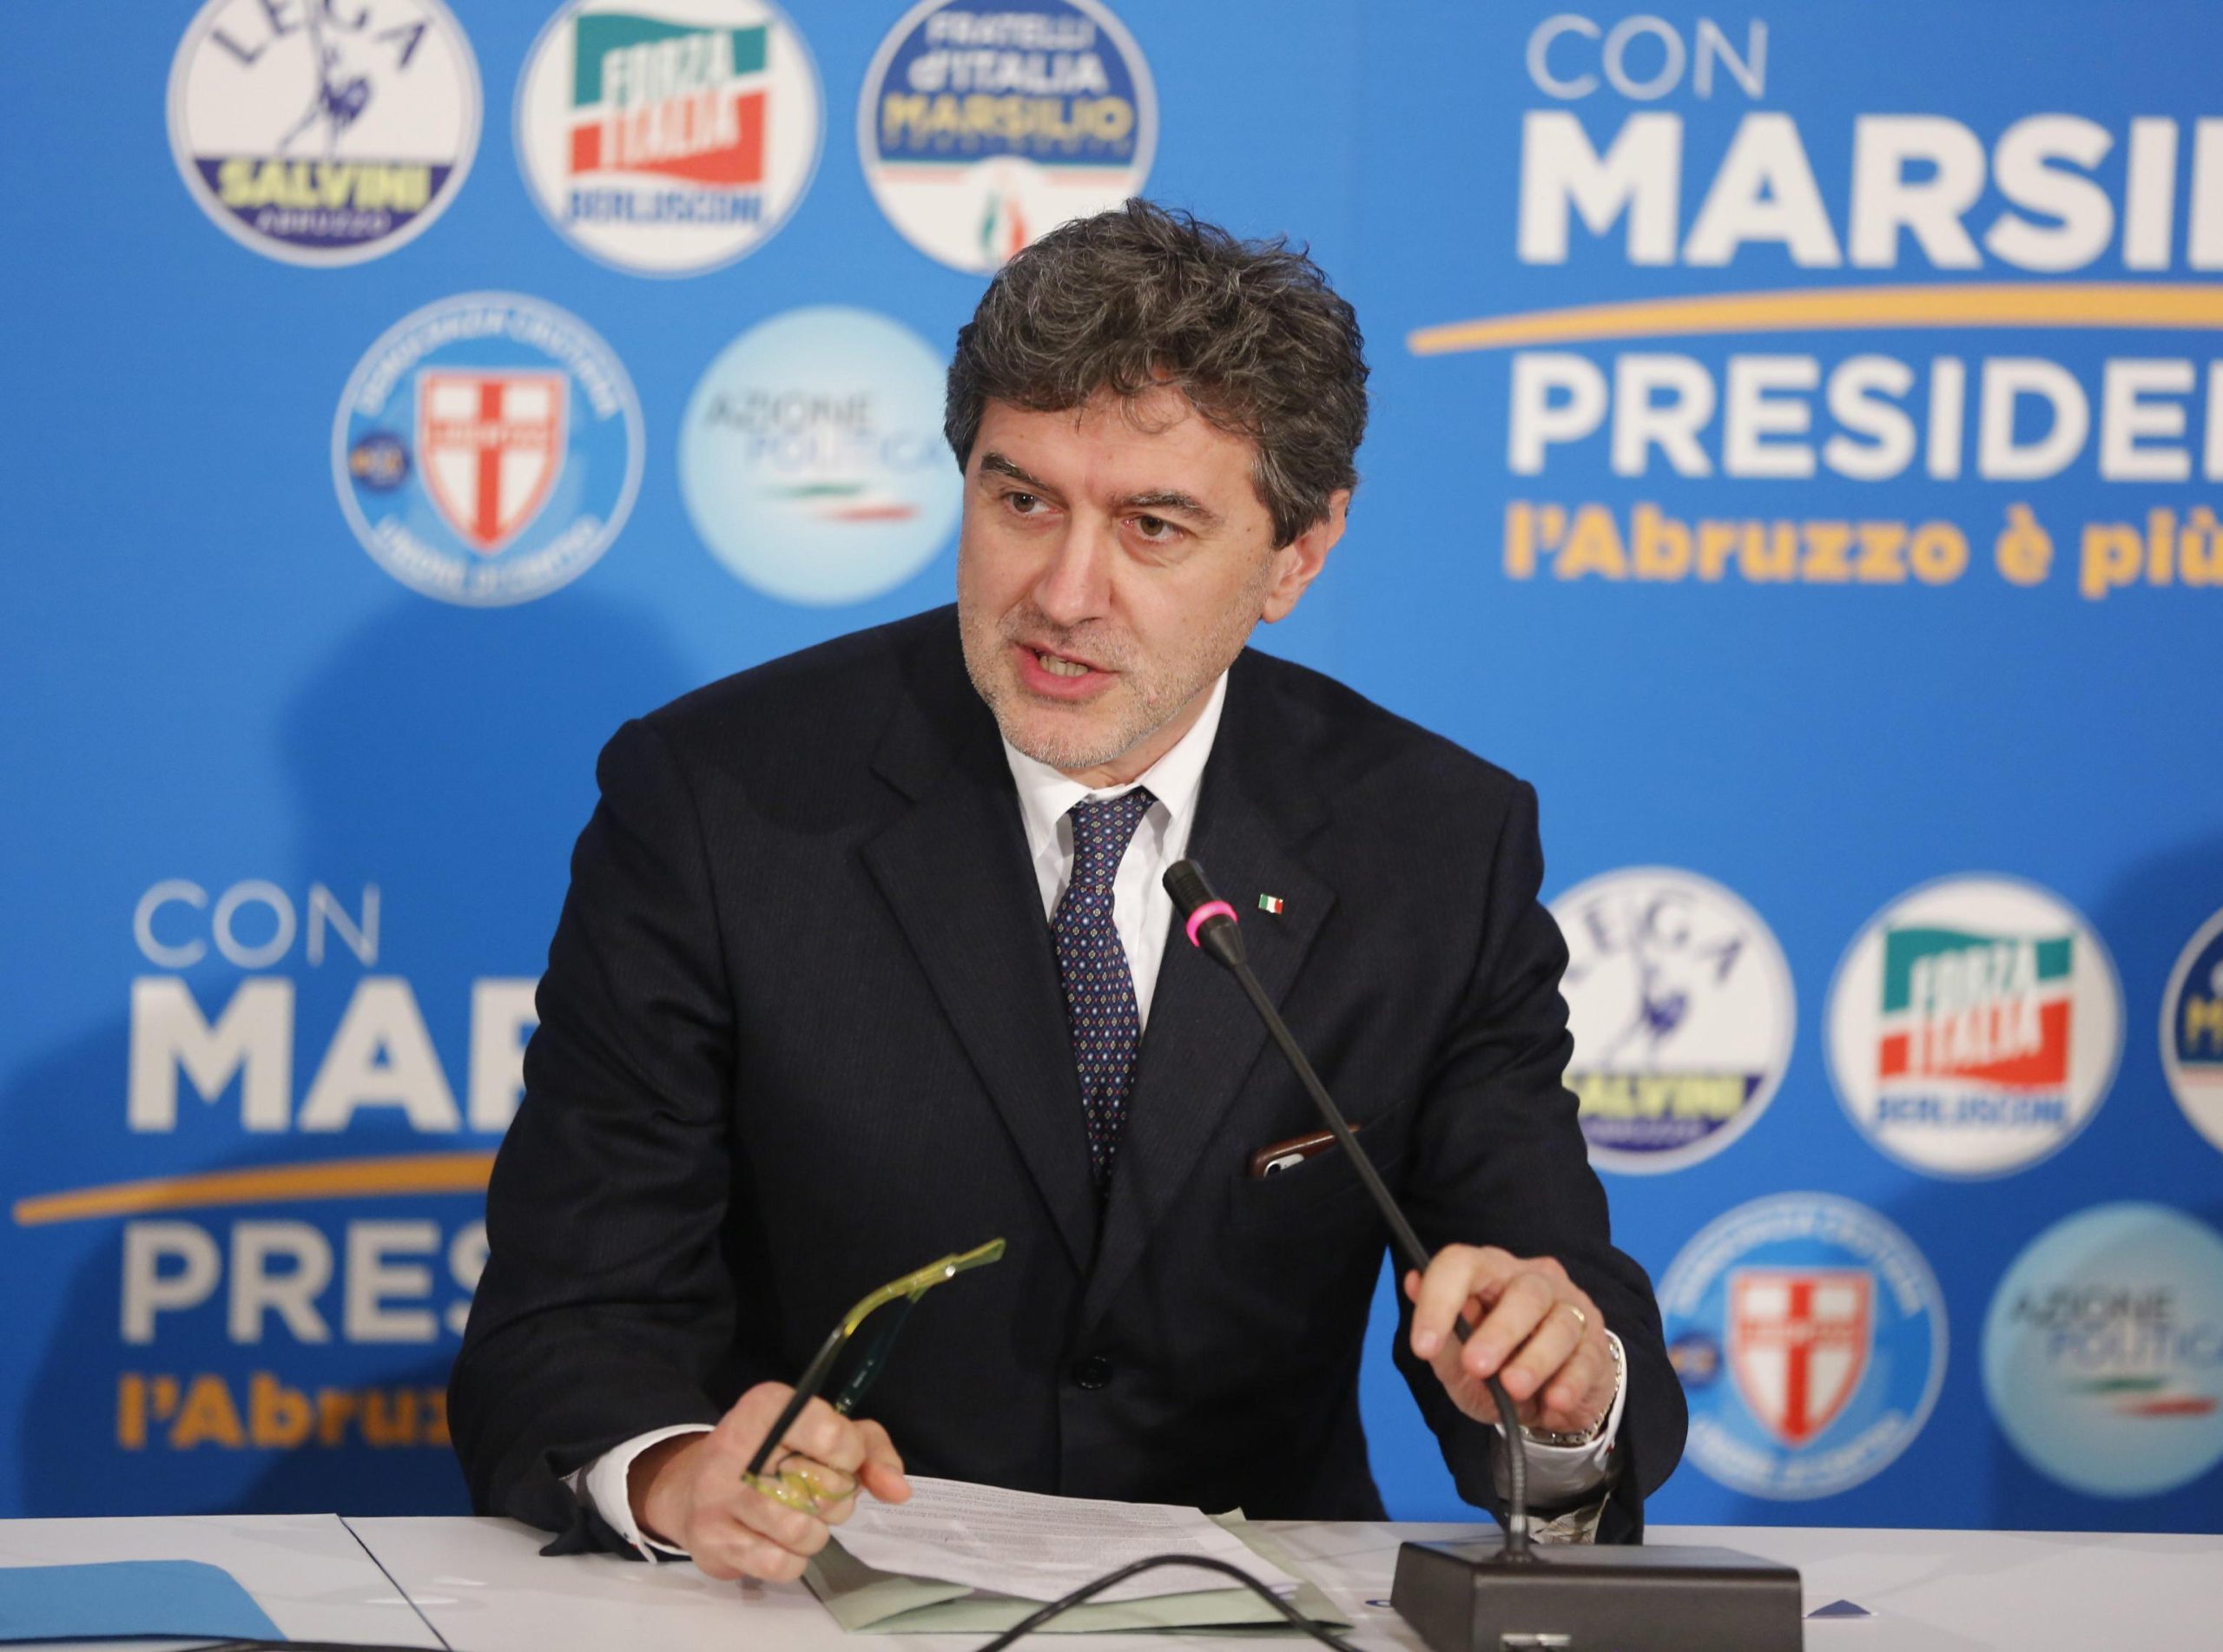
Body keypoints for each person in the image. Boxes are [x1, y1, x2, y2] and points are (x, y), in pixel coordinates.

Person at [449, 200, 1685, 1582]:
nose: (1064, 593)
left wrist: (1562, 1391)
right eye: (1022, 500)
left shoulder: (1433, 844)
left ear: (1299, 552)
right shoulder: (717, 801)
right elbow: (565, 1325)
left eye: (1152, 525)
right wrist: (680, 1473)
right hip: (809, 1597)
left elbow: (1546, 1297)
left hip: (1253, 1614)